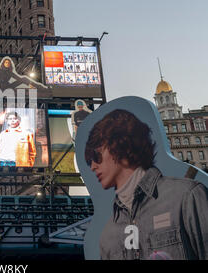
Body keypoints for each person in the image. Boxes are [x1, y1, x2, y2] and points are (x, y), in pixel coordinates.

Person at [84, 109, 208, 260]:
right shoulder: (107, 234)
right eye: (89, 161)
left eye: (96, 156)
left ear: (120, 145)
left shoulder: (187, 197)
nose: (92, 167)